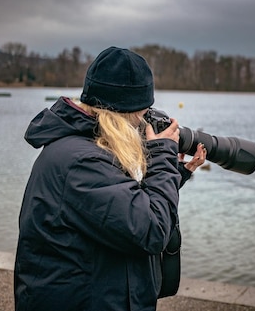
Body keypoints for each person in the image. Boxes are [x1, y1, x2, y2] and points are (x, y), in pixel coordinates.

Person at [14, 46, 206, 311]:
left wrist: (175, 171)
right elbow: (151, 230)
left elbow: (123, 205)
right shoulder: (82, 162)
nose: (144, 121)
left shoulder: (88, 149)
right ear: (126, 113)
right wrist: (161, 158)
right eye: (142, 113)